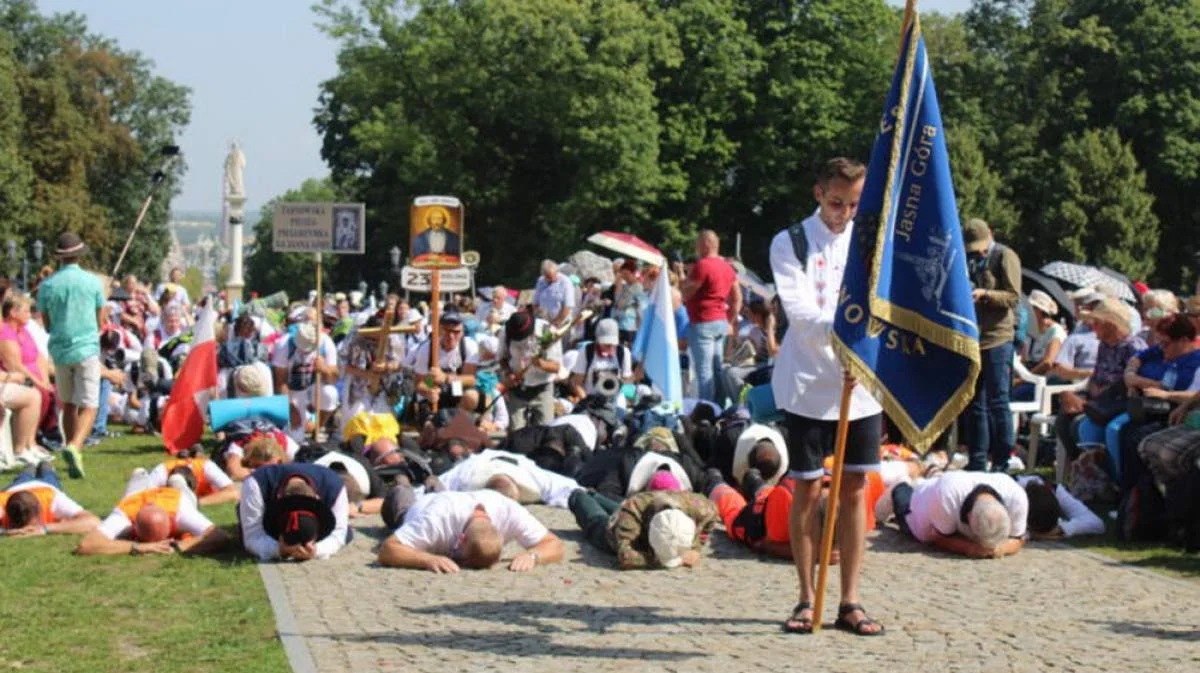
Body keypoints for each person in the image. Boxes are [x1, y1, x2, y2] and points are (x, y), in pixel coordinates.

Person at [769, 158, 883, 635]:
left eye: (854, 205)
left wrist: (866, 343)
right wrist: (845, 335)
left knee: (856, 488)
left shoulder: (870, 241)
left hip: (863, 384)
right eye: (837, 203)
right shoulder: (789, 242)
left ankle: (851, 599)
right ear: (819, 193)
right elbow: (799, 311)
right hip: (808, 382)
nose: (844, 213)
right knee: (808, 487)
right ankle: (804, 596)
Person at [35, 232, 106, 478]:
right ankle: (75, 446)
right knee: (90, 405)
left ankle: (73, 453)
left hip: (60, 350)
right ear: (79, 254)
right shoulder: (92, 282)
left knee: (69, 404)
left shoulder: (47, 285)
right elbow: (100, 321)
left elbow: (46, 324)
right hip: (86, 347)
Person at [377, 489, 564, 573]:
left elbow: (553, 544)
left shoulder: (509, 511)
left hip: (453, 495)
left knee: (438, 489)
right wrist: (426, 559)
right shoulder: (436, 520)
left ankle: (433, 485)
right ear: (462, 538)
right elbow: (388, 549)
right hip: (416, 508)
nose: (461, 562)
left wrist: (533, 556)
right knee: (399, 495)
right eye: (464, 559)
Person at [962, 218, 1022, 472]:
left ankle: (1001, 460)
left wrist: (986, 295)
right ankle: (977, 459)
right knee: (975, 403)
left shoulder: (1004, 256)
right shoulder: (968, 260)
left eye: (980, 246)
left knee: (998, 401)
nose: (978, 252)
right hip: (974, 338)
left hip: (998, 338)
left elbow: (1013, 296)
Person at [1054, 297, 1147, 461]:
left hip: (1119, 402)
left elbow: (1134, 382)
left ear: (1110, 324)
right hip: (1099, 400)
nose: (1092, 327)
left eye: (1096, 323)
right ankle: (1081, 467)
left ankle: (1096, 470)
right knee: (1063, 419)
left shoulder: (1134, 347)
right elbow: (1097, 375)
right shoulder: (1104, 345)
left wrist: (1102, 393)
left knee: (1079, 424)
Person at [75, 469, 230, 556]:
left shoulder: (182, 510)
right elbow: (85, 545)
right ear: (133, 525)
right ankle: (140, 475)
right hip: (135, 498)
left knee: (182, 487)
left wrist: (179, 546)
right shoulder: (124, 512)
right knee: (138, 476)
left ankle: (177, 480)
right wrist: (137, 547)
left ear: (171, 525)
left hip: (173, 496)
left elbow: (220, 536)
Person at [889, 471, 1027, 559]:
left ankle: (933, 471)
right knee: (902, 499)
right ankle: (901, 482)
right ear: (968, 517)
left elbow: (1019, 538)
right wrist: (970, 548)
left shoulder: (1017, 497)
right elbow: (938, 537)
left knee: (941, 481)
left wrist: (1001, 548)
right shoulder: (946, 497)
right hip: (918, 503)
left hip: (951, 483)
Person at [568, 489, 718, 569]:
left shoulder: (702, 508)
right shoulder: (631, 516)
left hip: (645, 507)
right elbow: (626, 556)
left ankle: (595, 495)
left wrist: (696, 548)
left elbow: (711, 520)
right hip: (615, 529)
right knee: (597, 522)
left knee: (622, 507)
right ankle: (579, 495)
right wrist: (676, 560)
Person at [239, 462, 351, 561]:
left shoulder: (335, 486)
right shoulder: (255, 484)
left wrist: (316, 550)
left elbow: (339, 534)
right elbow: (252, 537)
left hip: (319, 528)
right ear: (278, 498)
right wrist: (279, 549)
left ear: (317, 498)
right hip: (266, 520)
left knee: (348, 534)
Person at [683, 230, 740, 405]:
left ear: (706, 244)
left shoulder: (702, 265)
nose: (695, 248)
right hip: (720, 321)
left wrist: (681, 284)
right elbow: (737, 298)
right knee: (717, 369)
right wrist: (730, 320)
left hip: (703, 322)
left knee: (704, 372)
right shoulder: (728, 267)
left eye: (697, 243)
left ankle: (706, 412)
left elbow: (687, 293)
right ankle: (720, 407)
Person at [436, 448, 581, 507]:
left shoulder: (464, 475)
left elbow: (573, 491)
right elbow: (571, 490)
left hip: (512, 458)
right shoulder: (465, 473)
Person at [272, 321, 339, 442]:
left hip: (314, 386)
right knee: (295, 437)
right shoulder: (284, 346)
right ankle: (303, 425)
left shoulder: (326, 343)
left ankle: (317, 428)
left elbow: (334, 379)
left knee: (330, 394)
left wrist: (324, 369)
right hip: (292, 389)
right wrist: (291, 410)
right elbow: (280, 384)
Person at [500, 310, 562, 430]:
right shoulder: (506, 331)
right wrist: (508, 374)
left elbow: (557, 367)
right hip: (517, 388)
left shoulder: (548, 331)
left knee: (545, 430)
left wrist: (541, 364)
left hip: (542, 387)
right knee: (515, 430)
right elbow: (502, 359)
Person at [0, 461, 99, 536]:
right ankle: (29, 468)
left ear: (40, 510)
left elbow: (94, 522)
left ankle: (44, 465)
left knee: (49, 475)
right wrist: (6, 531)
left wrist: (44, 529)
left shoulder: (54, 500)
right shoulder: (1, 505)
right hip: (15, 488)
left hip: (46, 485)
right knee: (23, 477)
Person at [408, 311, 479, 414]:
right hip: (432, 389)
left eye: (456, 332)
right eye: (447, 331)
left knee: (472, 396)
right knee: (430, 427)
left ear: (462, 332)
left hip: (456, 388)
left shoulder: (468, 346)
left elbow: (471, 379)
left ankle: (458, 420)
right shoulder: (426, 349)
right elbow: (419, 383)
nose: (451, 336)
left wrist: (446, 378)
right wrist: (428, 390)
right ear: (439, 331)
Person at [569, 319, 634, 409]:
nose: (609, 346)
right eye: (606, 344)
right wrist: (587, 402)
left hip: (615, 402)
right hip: (590, 400)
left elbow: (627, 382)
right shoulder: (586, 351)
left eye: (612, 344)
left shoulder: (623, 352)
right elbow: (577, 383)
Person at [1016, 474, 1104, 539]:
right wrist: (1031, 534)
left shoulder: (1055, 491)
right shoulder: (1010, 495)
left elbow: (1097, 523)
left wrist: (1061, 529)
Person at [146, 453, 240, 506]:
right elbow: (143, 496)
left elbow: (233, 492)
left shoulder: (207, 467)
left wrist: (197, 502)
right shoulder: (161, 471)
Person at [533, 260, 576, 328]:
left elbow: (568, 306)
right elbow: (535, 303)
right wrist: (538, 315)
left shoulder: (566, 282)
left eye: (554, 276)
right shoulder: (540, 281)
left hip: (561, 322)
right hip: (544, 321)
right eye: (549, 278)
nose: (552, 279)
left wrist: (556, 322)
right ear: (544, 275)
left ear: (557, 271)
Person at [613, 260, 645, 346]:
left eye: (626, 274)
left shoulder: (638, 288)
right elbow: (617, 302)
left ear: (633, 273)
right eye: (623, 274)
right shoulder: (626, 286)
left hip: (631, 326)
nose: (625, 277)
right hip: (621, 324)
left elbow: (642, 308)